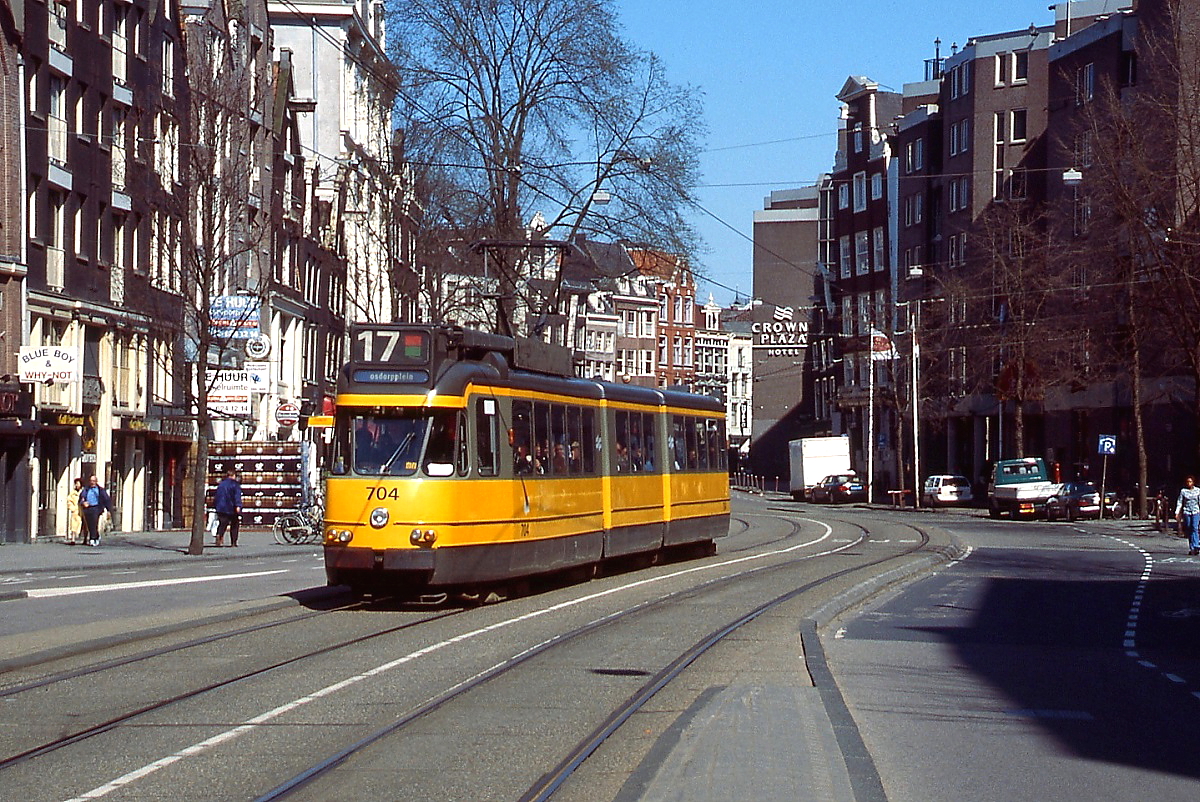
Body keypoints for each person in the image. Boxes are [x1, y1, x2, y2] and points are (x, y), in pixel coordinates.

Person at [79, 474, 113, 547]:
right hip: (87, 508)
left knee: (94, 523)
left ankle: (92, 539)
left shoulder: (100, 490)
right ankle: (96, 536)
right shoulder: (86, 489)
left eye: (94, 481)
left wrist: (108, 510)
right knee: (89, 524)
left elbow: (106, 499)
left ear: (96, 481)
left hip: (96, 508)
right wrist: (83, 503)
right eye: (91, 481)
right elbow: (81, 498)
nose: (92, 482)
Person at [214, 468, 243, 547]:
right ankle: (233, 542)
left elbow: (217, 496)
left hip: (221, 507)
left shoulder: (221, 484)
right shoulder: (235, 484)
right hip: (231, 507)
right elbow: (237, 496)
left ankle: (219, 535)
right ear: (233, 475)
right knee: (234, 524)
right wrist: (238, 505)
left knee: (222, 524)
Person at [1176, 475, 1200, 555]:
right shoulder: (1183, 491)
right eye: (1187, 482)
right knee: (1189, 528)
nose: (1189, 483)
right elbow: (1180, 501)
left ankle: (1196, 545)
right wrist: (1177, 512)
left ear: (1193, 482)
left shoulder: (1198, 491)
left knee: (1194, 527)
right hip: (1187, 512)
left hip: (1195, 511)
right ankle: (1191, 547)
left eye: (1190, 482)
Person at [67, 477, 84, 545]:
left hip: (83, 510)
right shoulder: (73, 493)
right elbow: (69, 500)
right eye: (76, 484)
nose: (77, 485)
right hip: (76, 510)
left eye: (78, 483)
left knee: (84, 525)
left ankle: (85, 538)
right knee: (73, 525)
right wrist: (72, 508)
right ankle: (73, 539)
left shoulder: (83, 491)